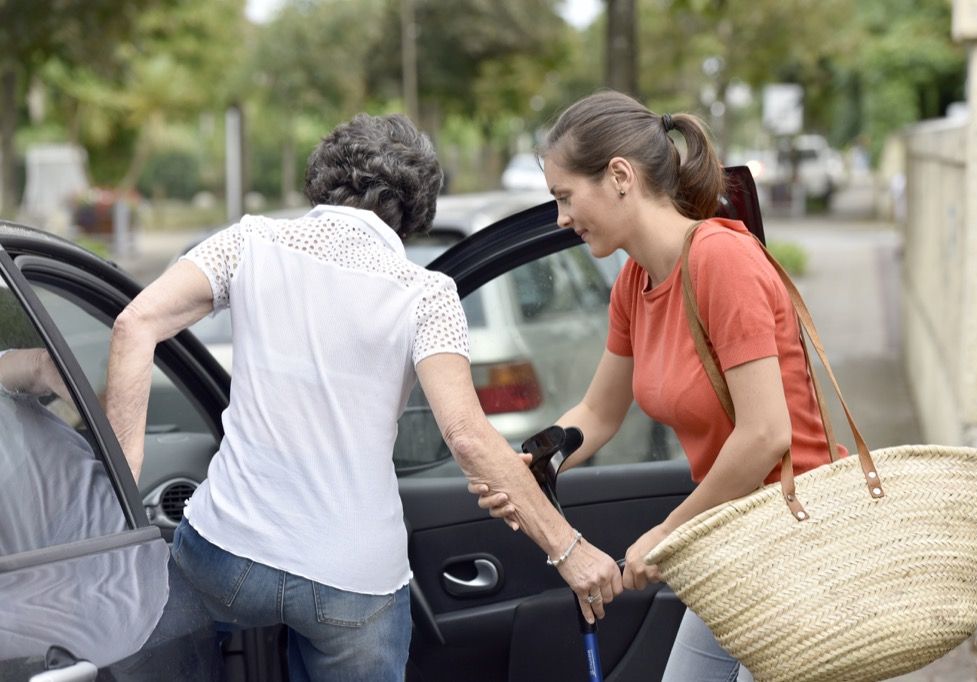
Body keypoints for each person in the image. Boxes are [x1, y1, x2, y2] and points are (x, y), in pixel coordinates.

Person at [103, 112, 622, 681]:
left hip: (228, 553)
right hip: (353, 579)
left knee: (148, 646)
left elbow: (135, 326)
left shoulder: (250, 241)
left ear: (325, 174)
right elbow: (469, 437)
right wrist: (568, 549)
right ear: (416, 206)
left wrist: (121, 501)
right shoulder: (426, 295)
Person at [474, 90, 840, 681]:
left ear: (620, 176)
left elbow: (766, 434)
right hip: (730, 546)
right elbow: (598, 412)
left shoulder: (723, 261)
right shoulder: (635, 283)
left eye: (566, 197)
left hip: (797, 546)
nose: (562, 218)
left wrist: (669, 533)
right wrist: (533, 467)